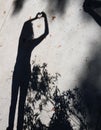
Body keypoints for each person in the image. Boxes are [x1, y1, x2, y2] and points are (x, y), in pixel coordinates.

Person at [6, 12, 49, 130]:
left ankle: (11, 126)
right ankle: (15, 127)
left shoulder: (23, 42)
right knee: (20, 102)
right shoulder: (29, 43)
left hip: (20, 71)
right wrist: (44, 18)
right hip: (24, 72)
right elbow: (46, 33)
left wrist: (36, 18)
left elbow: (27, 24)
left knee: (15, 101)